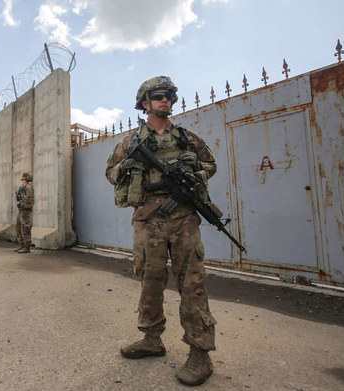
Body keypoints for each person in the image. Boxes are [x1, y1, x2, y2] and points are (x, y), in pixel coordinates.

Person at [105, 76, 218, 386]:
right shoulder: (131, 142)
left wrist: (194, 169)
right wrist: (126, 166)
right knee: (149, 283)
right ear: (145, 103)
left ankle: (200, 352)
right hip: (147, 221)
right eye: (158, 96)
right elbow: (111, 173)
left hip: (182, 218)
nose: (165, 100)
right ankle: (151, 340)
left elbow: (211, 164)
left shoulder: (187, 137)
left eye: (169, 95)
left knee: (192, 283)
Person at [14, 172, 34, 253]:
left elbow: (29, 200)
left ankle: (27, 247)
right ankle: (22, 245)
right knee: (18, 228)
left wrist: (22, 194)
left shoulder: (28, 188)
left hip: (26, 211)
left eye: (23, 178)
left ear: (26, 179)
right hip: (21, 210)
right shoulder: (22, 187)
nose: (22, 179)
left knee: (25, 229)